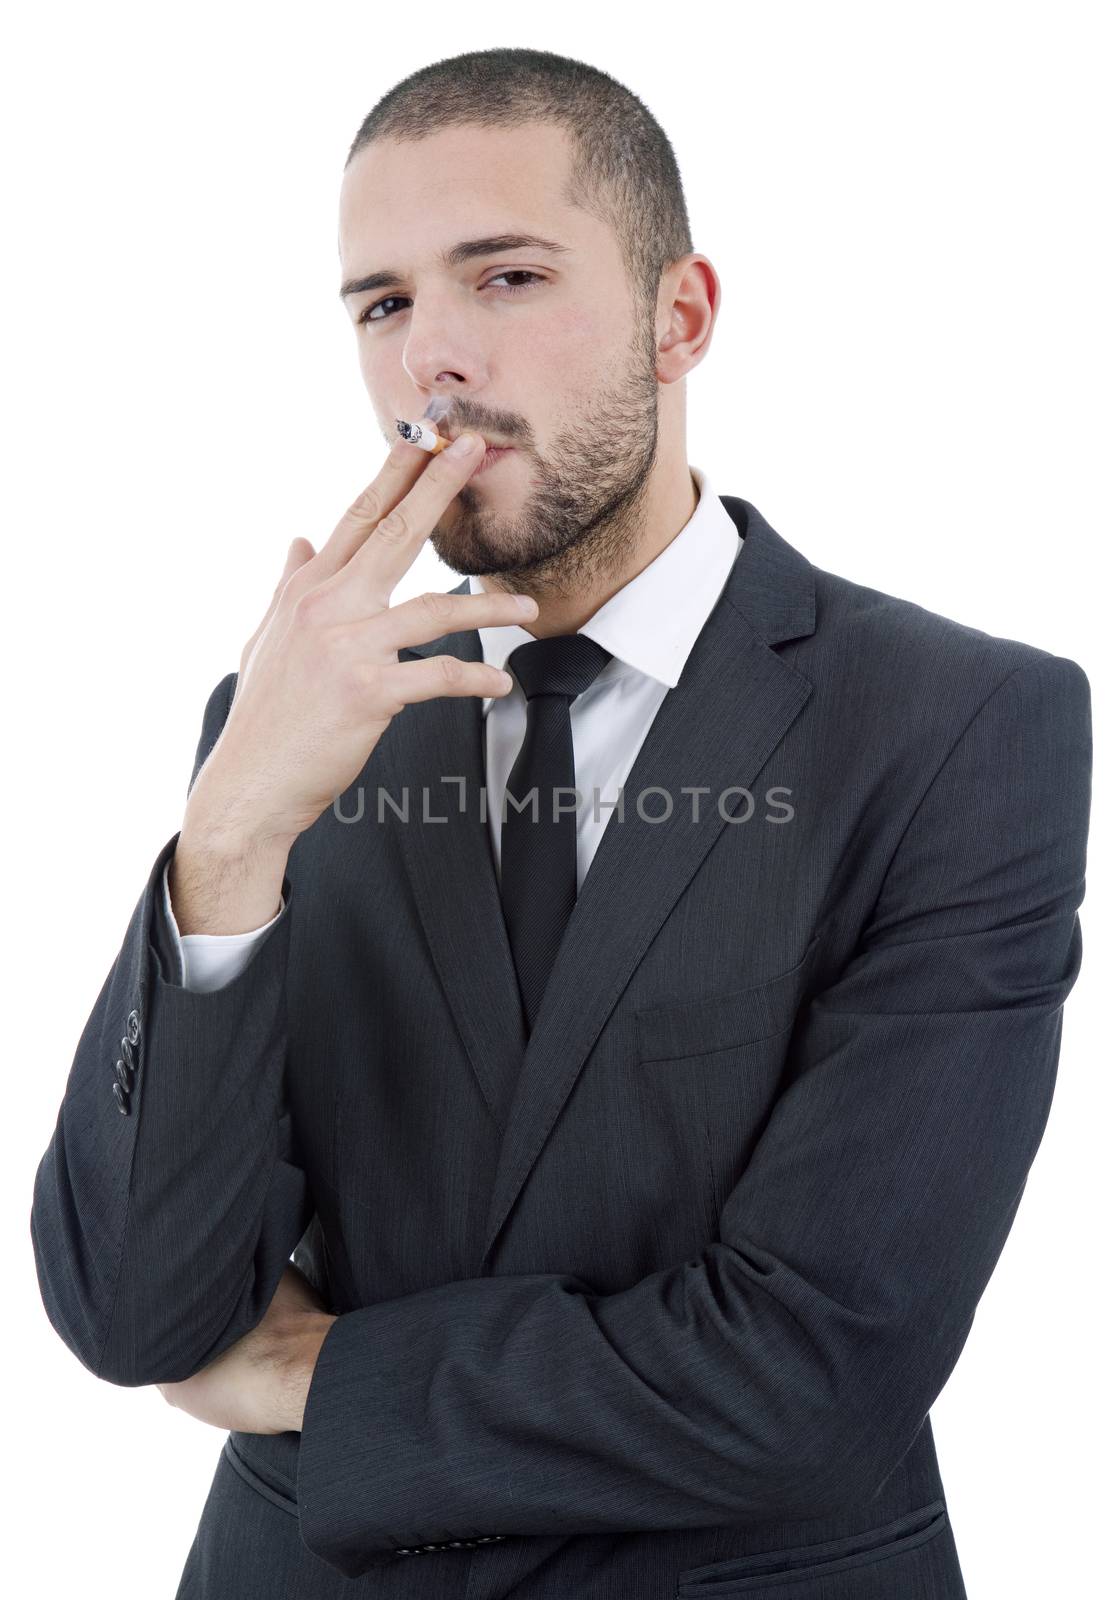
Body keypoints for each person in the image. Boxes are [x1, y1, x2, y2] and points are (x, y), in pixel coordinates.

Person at [30, 46, 1093, 1600]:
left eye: (506, 276)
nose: (432, 363)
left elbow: (818, 1372)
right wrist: (232, 837)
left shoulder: (958, 726)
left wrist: (322, 1380)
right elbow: (138, 1315)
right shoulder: (287, 732)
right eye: (382, 305)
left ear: (684, 317)